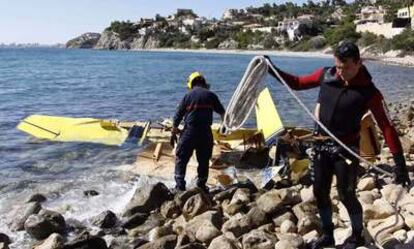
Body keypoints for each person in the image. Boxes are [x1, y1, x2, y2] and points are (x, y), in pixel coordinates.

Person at [266, 41, 411, 249]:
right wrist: (272, 69)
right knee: (319, 192)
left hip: (346, 149)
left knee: (346, 194)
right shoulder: (326, 75)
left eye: (346, 68)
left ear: (358, 63)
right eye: (338, 66)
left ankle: (357, 235)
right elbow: (297, 82)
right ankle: (328, 235)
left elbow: (386, 126)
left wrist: (400, 165)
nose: (340, 72)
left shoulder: (369, 92)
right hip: (320, 146)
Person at [172, 72, 225, 193]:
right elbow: (222, 113)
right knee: (204, 159)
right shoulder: (211, 95)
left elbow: (178, 115)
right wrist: (223, 127)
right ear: (204, 82)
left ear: (191, 83)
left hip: (190, 131)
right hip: (206, 132)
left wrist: (174, 131)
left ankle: (180, 187)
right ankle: (201, 185)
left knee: (182, 158)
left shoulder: (188, 96)